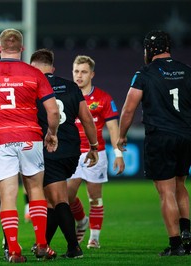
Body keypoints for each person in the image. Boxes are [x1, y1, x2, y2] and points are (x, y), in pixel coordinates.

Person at [0, 28, 59, 263]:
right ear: (22, 49)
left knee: (8, 195)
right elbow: (52, 110)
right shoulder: (34, 73)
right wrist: (52, 133)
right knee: (35, 190)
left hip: (0, 139)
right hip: (30, 137)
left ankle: (14, 249)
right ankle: (42, 244)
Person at [117, 30, 191, 256]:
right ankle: (188, 236)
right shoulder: (187, 71)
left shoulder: (144, 73)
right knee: (181, 185)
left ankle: (176, 244)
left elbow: (129, 108)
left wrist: (121, 136)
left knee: (166, 191)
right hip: (186, 136)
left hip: (160, 137)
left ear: (149, 50)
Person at [31, 49, 99, 259]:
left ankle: (74, 247)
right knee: (52, 201)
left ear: (32, 68)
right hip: (72, 149)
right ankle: (43, 245)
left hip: (50, 147)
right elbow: (87, 119)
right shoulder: (71, 86)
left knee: (58, 199)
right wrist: (94, 146)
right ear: (52, 68)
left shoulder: (33, 86)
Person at [67, 55, 125, 249]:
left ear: (92, 74)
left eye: (83, 72)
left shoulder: (103, 98)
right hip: (72, 154)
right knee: (67, 196)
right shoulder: (66, 94)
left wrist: (118, 154)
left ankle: (94, 238)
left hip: (96, 153)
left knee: (94, 197)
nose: (79, 76)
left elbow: (113, 128)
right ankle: (81, 220)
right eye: (76, 71)